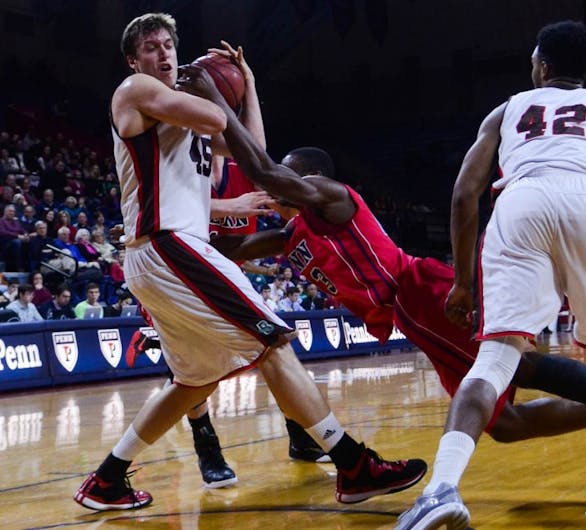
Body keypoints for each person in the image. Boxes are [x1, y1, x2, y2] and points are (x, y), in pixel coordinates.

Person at [181, 48, 586, 514]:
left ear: (313, 178)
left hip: (415, 289)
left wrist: (223, 102)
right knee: (503, 422)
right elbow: (229, 249)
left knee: (512, 363)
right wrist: (171, 220)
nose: (283, 184)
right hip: (410, 314)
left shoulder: (331, 197)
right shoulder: (290, 234)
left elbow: (270, 173)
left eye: (294, 175)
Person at [74, 13, 425, 513]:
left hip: (163, 252)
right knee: (273, 339)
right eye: (152, 47)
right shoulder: (134, 91)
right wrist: (215, 91)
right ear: (133, 60)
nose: (165, 54)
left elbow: (250, 147)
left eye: (170, 44)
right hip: (171, 247)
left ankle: (107, 480)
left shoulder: (182, 116)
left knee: (194, 382)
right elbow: (219, 120)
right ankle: (353, 465)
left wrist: (250, 86)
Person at [395, 21, 586, 530]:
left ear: (542, 65)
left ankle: (441, 489)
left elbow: (464, 195)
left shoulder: (506, 109)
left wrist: (464, 282)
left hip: (520, 203)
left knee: (494, 359)